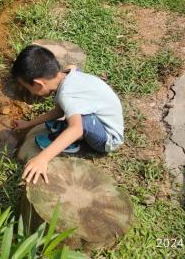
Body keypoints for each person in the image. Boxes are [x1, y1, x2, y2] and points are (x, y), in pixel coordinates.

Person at [11, 45, 124, 184]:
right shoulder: (68, 74)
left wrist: (42, 158)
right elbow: (59, 111)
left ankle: (71, 141)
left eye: (29, 89)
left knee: (76, 125)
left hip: (108, 138)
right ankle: (67, 128)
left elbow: (76, 129)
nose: (31, 93)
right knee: (74, 114)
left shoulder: (67, 95)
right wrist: (29, 124)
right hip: (100, 118)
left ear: (38, 84)